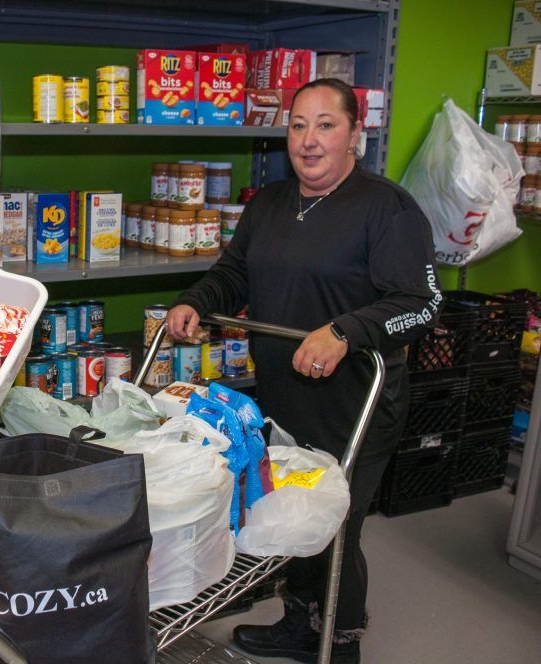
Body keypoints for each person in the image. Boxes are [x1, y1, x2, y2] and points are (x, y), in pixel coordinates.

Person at [167, 78, 442, 664]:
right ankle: (299, 623)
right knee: (289, 510)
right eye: (298, 125)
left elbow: (421, 304)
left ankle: (338, 644)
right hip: (282, 397)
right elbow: (234, 272)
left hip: (357, 405)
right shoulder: (268, 203)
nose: (309, 140)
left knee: (335, 525)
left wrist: (346, 332)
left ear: (353, 136)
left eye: (326, 125)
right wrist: (197, 299)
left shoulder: (386, 208)